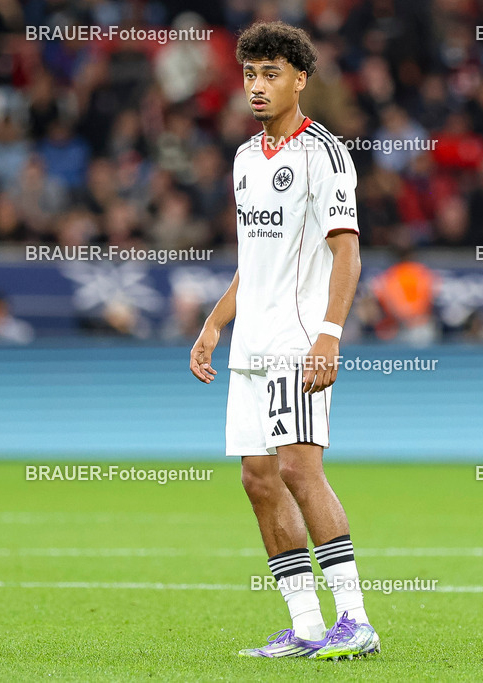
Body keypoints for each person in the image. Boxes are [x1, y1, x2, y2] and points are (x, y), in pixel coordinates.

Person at [188, 21, 378, 660]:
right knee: (258, 479)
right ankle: (303, 627)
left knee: (299, 468)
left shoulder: (322, 153)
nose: (258, 86)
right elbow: (254, 264)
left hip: (298, 342)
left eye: (272, 73)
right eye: (249, 74)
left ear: (301, 80)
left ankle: (354, 620)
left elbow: (346, 253)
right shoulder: (245, 160)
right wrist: (215, 324)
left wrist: (329, 336)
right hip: (249, 347)